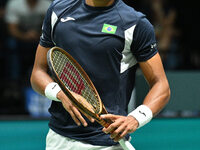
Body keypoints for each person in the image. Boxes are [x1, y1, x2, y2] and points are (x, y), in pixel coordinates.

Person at [30, 0, 170, 149]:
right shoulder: (58, 10)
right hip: (58, 139)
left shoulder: (134, 23)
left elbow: (161, 85)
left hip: (106, 142)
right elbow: (38, 72)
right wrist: (61, 94)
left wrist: (136, 118)